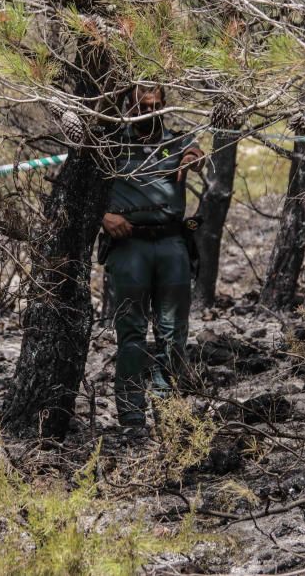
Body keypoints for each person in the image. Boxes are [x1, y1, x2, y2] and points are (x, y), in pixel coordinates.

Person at [100, 84, 205, 429]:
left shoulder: (175, 139)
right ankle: (131, 415)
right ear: (130, 107)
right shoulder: (112, 141)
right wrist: (103, 216)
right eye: (144, 107)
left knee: (172, 332)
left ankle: (167, 409)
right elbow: (86, 189)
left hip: (171, 241)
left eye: (157, 106)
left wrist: (195, 156)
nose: (151, 113)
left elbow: (197, 152)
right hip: (129, 244)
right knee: (131, 332)